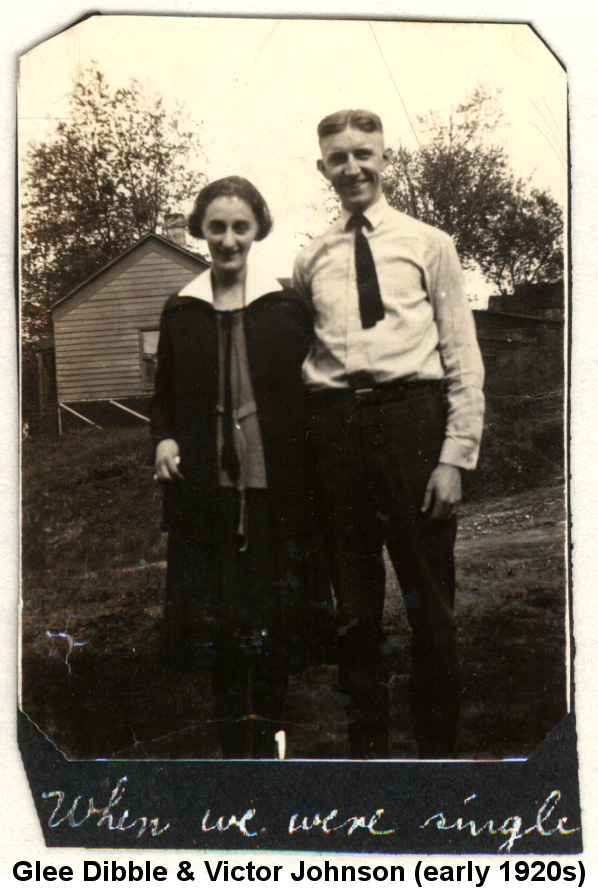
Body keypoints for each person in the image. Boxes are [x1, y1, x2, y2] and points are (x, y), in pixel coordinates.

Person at [292, 110, 485, 759]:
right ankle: (367, 758)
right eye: (338, 158)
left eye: (363, 154)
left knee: (430, 601)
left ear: (386, 158)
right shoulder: (310, 258)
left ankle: (437, 761)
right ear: (323, 170)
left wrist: (454, 456)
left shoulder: (431, 244)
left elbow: (461, 354)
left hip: (414, 423)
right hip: (335, 431)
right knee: (355, 609)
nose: (352, 168)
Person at [151, 176, 315, 758]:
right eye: (216, 227)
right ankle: (232, 750)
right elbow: (164, 394)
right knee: (221, 626)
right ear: (199, 231)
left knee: (271, 620)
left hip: (273, 491)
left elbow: (309, 393)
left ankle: (272, 744)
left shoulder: (285, 305)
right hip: (207, 494)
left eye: (239, 227)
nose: (227, 239)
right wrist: (165, 438)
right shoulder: (182, 309)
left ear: (257, 230)